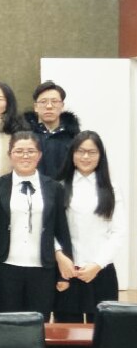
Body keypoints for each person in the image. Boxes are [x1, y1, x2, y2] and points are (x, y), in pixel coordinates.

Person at [0, 131, 73, 320]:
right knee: (7, 324)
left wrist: (63, 274)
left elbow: (61, 229)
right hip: (6, 267)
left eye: (31, 151)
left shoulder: (54, 187)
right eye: (19, 151)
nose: (25, 156)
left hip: (42, 268)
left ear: (39, 155)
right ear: (10, 155)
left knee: (38, 324)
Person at [53, 132, 127, 322]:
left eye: (92, 152)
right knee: (67, 333)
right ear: (72, 154)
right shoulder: (59, 186)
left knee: (103, 333)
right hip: (67, 271)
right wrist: (59, 255)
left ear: (101, 155)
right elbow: (50, 228)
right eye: (80, 151)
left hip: (100, 271)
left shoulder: (111, 188)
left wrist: (97, 264)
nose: (86, 157)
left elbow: (118, 232)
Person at [25, 81, 80, 177]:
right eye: (43, 102)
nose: (49, 106)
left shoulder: (74, 137)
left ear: (62, 106)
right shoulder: (25, 136)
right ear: (36, 107)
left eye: (54, 101)